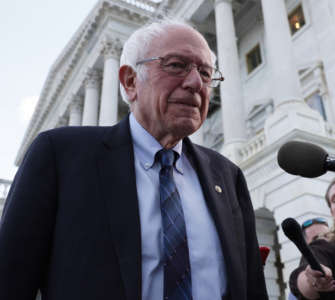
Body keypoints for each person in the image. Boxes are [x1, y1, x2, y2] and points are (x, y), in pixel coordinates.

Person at [0, 21, 268, 300]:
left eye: (205, 72)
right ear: (130, 82)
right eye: (176, 65)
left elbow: (251, 289)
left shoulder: (227, 176)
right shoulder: (60, 156)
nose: (195, 83)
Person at [288, 218, 329, 300]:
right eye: (316, 239)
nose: (323, 241)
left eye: (326, 236)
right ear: (305, 244)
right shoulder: (297, 289)